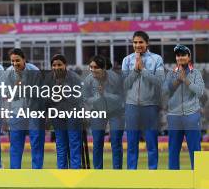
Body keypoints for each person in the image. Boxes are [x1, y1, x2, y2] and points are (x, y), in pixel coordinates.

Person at [121, 31, 164, 169]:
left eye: (141, 42)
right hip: (131, 105)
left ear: (147, 43)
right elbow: (124, 84)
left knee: (151, 142)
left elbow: (159, 82)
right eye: (135, 42)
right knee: (132, 142)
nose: (138, 45)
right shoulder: (127, 60)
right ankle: (132, 174)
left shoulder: (156, 59)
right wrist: (135, 71)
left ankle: (153, 173)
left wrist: (143, 70)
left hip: (150, 105)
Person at [163, 44, 204, 169]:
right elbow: (164, 92)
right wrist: (178, 81)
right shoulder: (170, 74)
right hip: (174, 116)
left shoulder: (196, 73)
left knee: (195, 149)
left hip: (192, 115)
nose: (180, 58)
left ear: (189, 57)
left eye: (183, 55)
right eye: (178, 55)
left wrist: (186, 80)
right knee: (173, 150)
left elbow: (200, 92)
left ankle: (197, 177)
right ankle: (174, 179)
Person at [83, 55, 125, 169]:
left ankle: (117, 171)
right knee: (97, 142)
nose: (92, 70)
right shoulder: (88, 80)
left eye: (96, 67)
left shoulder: (115, 78)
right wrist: (98, 97)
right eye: (90, 67)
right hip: (97, 111)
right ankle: (98, 171)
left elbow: (121, 97)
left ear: (104, 68)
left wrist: (105, 95)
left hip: (115, 112)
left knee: (116, 141)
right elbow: (85, 98)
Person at [4, 48, 43, 169]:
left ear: (24, 59)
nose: (15, 64)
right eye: (12, 61)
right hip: (16, 113)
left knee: (36, 144)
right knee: (15, 145)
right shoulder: (8, 72)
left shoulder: (34, 71)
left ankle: (37, 173)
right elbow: (6, 94)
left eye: (17, 61)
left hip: (34, 113)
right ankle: (15, 174)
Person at [43, 54, 83, 169]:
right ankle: (62, 170)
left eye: (59, 64)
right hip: (57, 115)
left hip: (73, 114)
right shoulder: (48, 79)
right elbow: (45, 98)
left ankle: (75, 170)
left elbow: (79, 98)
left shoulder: (74, 78)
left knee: (74, 144)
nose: (57, 67)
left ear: (65, 65)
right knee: (60, 145)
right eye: (54, 65)